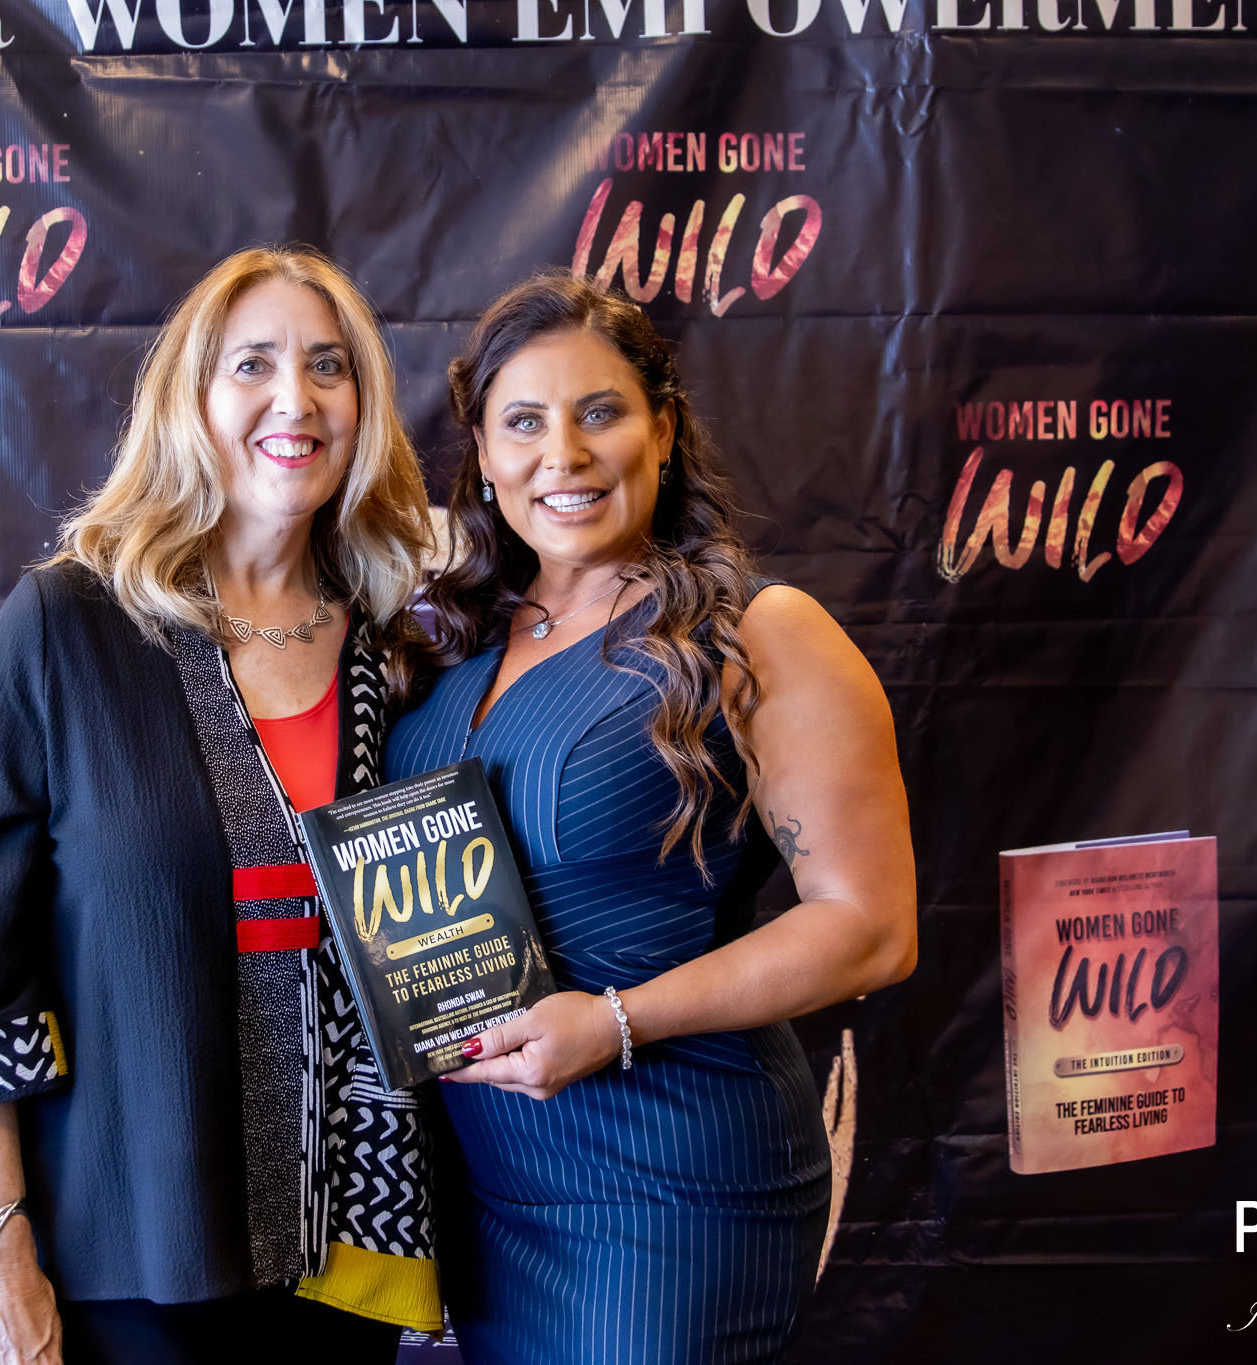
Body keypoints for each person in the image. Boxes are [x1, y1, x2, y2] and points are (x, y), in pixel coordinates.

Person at [0, 247, 440, 1364]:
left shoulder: (395, 644)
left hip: (340, 1260)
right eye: (253, 364)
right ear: (191, 398)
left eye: (329, 366)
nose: (296, 398)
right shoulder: (69, 625)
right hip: (114, 1259)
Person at [385, 272, 918, 1364]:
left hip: (667, 1178)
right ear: (481, 453)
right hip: (490, 1191)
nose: (563, 455)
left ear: (663, 431)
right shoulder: (448, 640)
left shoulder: (757, 633)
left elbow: (871, 929)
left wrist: (615, 1021)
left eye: (600, 413)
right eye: (523, 423)